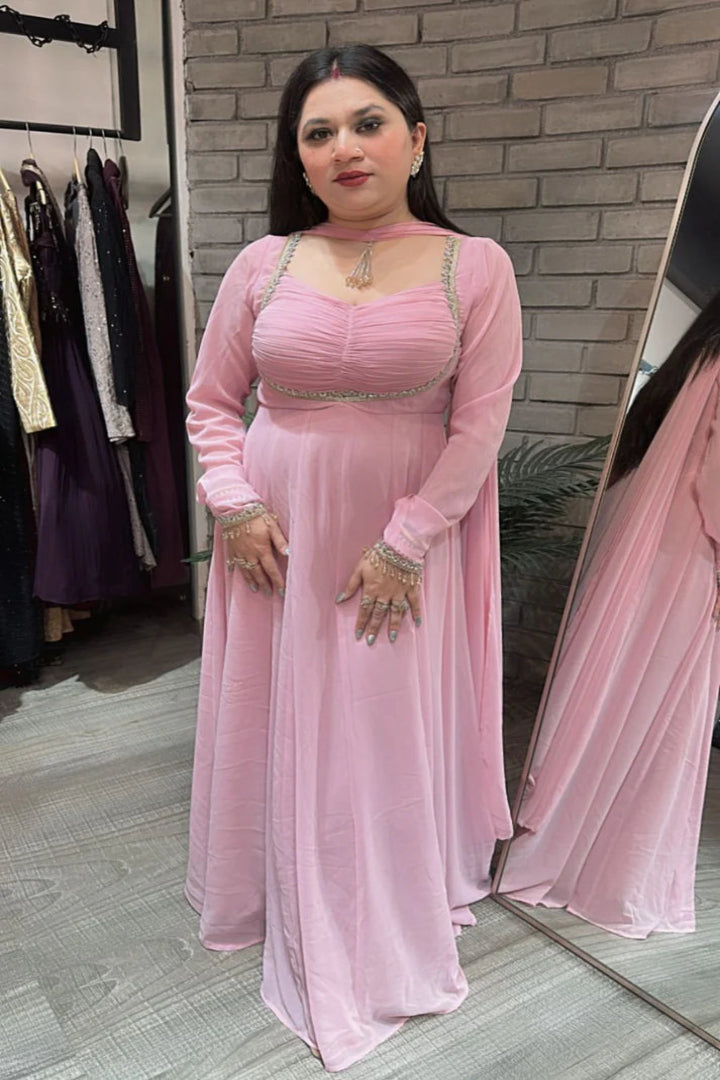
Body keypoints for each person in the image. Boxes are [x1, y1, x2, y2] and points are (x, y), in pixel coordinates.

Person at [185, 44, 522, 1072]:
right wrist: (234, 505)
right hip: (276, 536)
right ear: (299, 156)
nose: (344, 148)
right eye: (318, 132)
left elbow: (480, 427)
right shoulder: (263, 263)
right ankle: (282, 877)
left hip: (405, 536)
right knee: (281, 709)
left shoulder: (478, 266)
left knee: (381, 719)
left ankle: (385, 901)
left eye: (367, 122)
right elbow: (210, 405)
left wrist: (407, 544)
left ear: (416, 139)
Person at [500, 292, 720, 939]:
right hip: (687, 551)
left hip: (642, 531)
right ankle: (606, 864)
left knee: (618, 685)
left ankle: (567, 834)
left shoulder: (696, 356)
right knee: (660, 703)